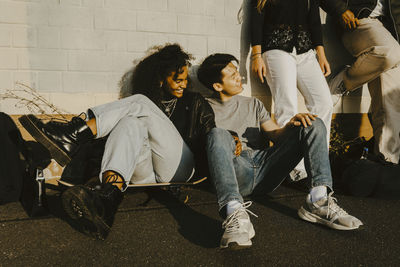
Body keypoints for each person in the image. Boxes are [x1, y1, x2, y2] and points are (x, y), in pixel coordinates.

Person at [19, 44, 215, 240]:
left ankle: (73, 133)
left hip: (180, 165)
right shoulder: (147, 103)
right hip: (147, 173)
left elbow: (211, 134)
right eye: (177, 80)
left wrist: (228, 140)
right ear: (161, 79)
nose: (183, 84)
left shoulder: (193, 101)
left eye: (185, 80)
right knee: (129, 122)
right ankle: (107, 201)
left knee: (138, 101)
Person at [197, 53, 363, 250]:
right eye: (232, 75)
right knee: (218, 134)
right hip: (235, 170)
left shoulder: (253, 104)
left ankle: (318, 200)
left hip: (266, 169)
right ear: (217, 86)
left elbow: (275, 135)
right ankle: (234, 213)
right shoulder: (204, 109)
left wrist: (292, 125)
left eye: (237, 72)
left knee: (312, 123)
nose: (239, 77)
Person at [250, 0, 334, 180]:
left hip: (305, 51)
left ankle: (318, 164)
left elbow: (314, 21)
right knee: (287, 107)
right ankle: (294, 169)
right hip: (276, 49)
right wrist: (256, 55)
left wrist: (321, 54)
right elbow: (256, 19)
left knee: (324, 103)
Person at [320, 0, 400, 165]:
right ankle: (344, 80)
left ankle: (387, 162)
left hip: (389, 30)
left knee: (389, 102)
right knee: (390, 52)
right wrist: (340, 10)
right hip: (358, 21)